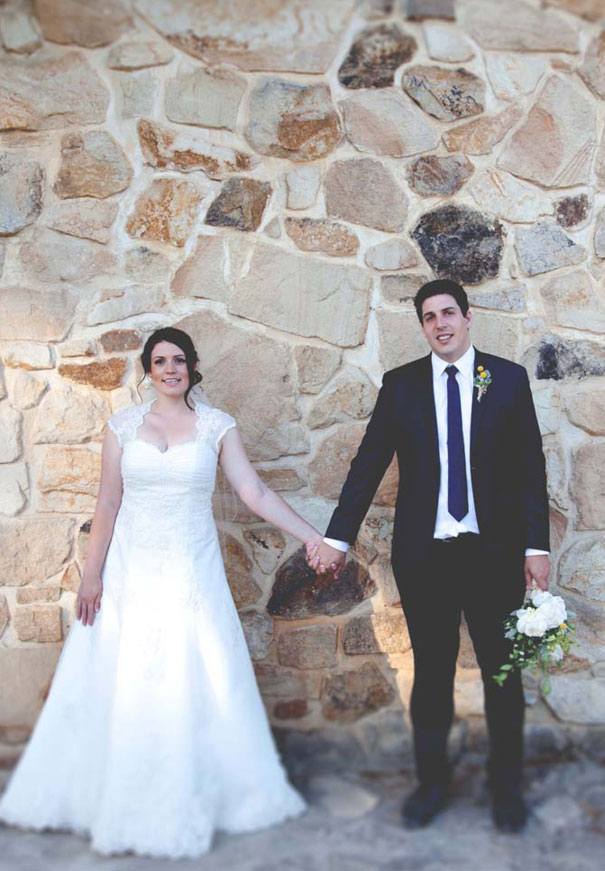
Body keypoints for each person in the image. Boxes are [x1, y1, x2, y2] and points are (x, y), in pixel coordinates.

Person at [0, 327, 322, 859]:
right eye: (159, 361)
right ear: (148, 371)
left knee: (193, 674)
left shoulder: (217, 426)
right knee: (124, 676)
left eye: (178, 360)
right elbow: (107, 504)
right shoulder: (123, 426)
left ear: (192, 366)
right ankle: (109, 796)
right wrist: (91, 575)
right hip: (130, 572)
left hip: (191, 573)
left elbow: (253, 490)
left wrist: (311, 537)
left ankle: (199, 794)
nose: (170, 369)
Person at [307, 279, 550, 833]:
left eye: (448, 313)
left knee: (502, 676)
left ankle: (506, 790)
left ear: (467, 318)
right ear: (422, 327)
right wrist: (338, 538)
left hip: (494, 556)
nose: (440, 324)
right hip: (425, 558)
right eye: (429, 317)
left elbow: (530, 467)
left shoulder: (507, 379)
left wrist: (536, 546)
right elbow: (368, 463)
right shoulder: (402, 385)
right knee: (433, 676)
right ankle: (431, 785)